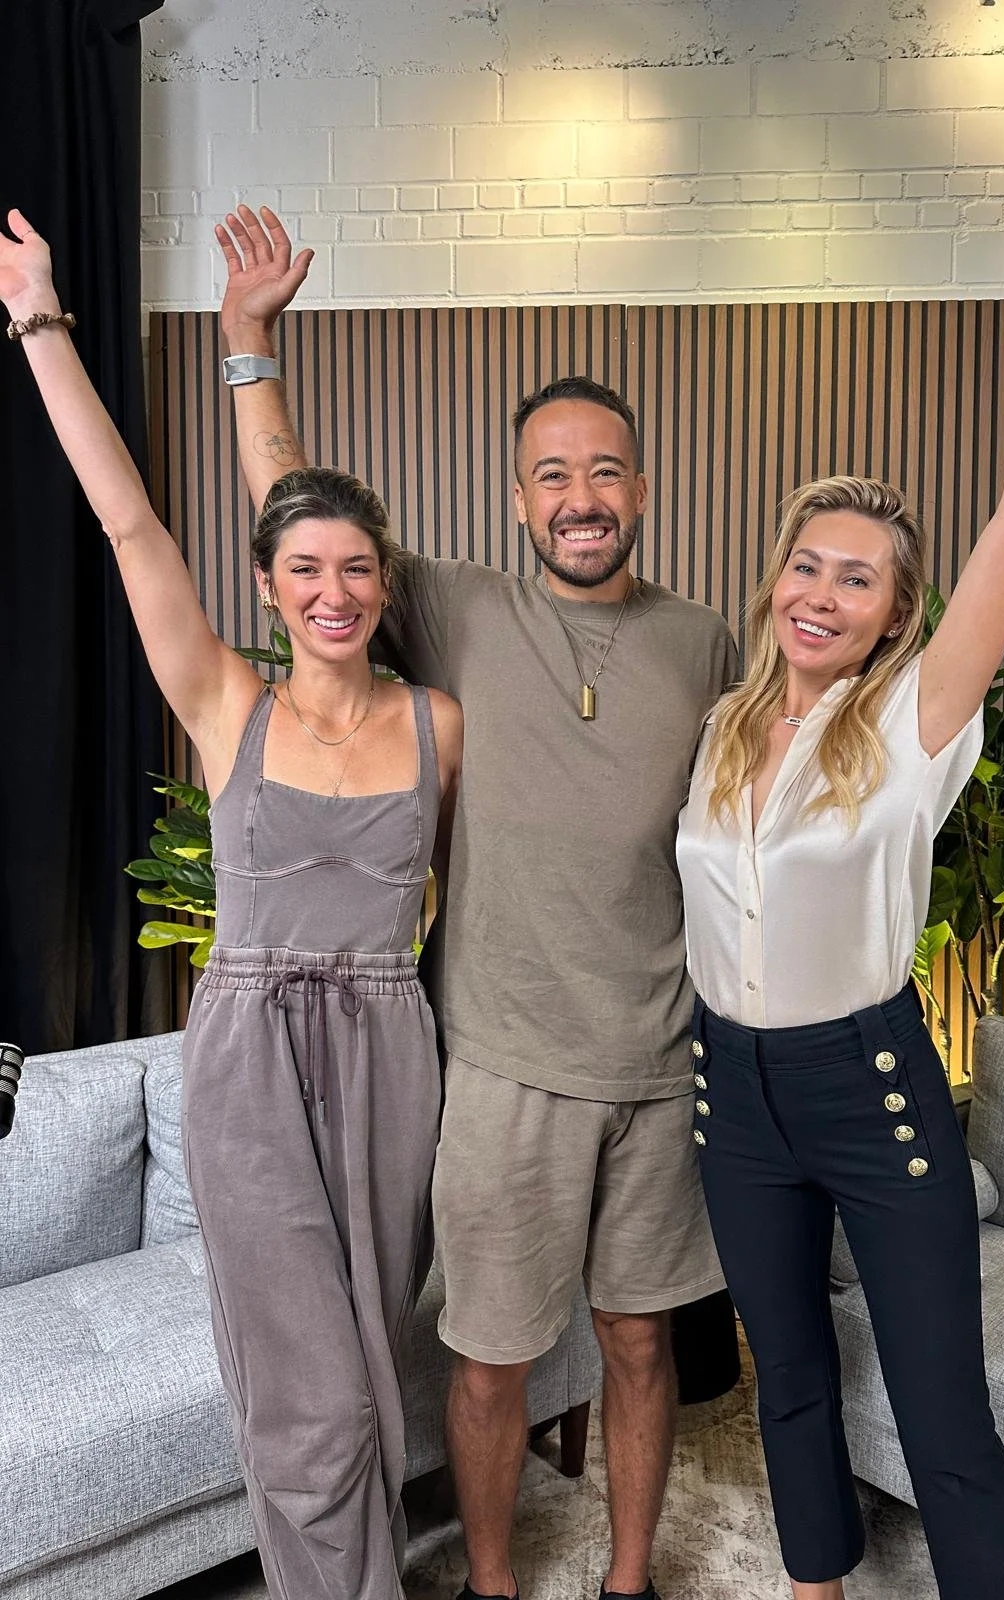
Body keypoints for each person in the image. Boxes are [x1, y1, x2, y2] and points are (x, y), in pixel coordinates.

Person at [215, 205, 738, 1600]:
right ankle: (496, 1588)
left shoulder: (705, 642)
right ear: (519, 500)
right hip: (500, 1070)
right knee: (490, 1359)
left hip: (656, 1063)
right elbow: (300, 523)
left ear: (641, 487)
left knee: (639, 1347)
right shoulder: (450, 611)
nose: (581, 496)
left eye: (606, 472)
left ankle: (630, 1579)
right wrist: (250, 345)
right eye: (552, 475)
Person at [675, 181, 1004, 1600]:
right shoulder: (720, 727)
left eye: (861, 580)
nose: (822, 594)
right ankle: (817, 1585)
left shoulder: (915, 724)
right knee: (785, 1386)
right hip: (732, 1094)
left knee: (944, 1411)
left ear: (901, 611)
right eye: (807, 565)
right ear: (776, 577)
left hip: (869, 1078)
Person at [0, 209, 464, 1600]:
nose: (333, 590)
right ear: (265, 586)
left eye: (357, 568)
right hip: (249, 1050)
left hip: (393, 1048)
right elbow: (128, 517)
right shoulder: (226, 705)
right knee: (308, 1387)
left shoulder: (442, 722)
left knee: (375, 1360)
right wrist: (40, 322)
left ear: (386, 587)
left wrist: (256, 347)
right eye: (303, 569)